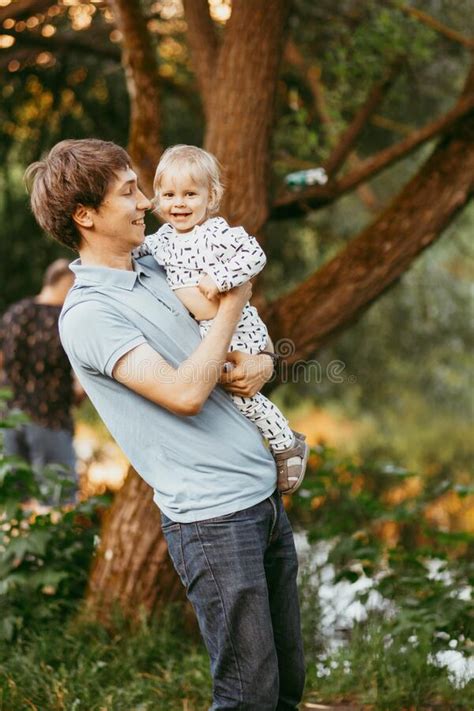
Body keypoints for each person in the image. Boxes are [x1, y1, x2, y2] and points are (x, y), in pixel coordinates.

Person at [26, 139, 305, 710]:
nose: (147, 202)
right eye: (129, 192)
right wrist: (233, 299)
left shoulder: (159, 261)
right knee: (247, 696)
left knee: (285, 687)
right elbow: (184, 392)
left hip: (263, 500)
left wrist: (264, 361)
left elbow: (239, 344)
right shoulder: (89, 315)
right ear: (85, 215)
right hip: (213, 518)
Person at [135, 144, 309, 494]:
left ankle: (286, 442)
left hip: (237, 325)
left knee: (240, 393)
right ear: (157, 199)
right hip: (208, 331)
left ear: (210, 197)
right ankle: (259, 451)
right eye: (169, 195)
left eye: (189, 194)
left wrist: (221, 278)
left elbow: (255, 255)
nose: (179, 203)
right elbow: (135, 250)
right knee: (221, 390)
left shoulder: (216, 233)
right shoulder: (162, 241)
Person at [0, 259, 80, 501]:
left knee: (13, 503)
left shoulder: (17, 312)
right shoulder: (66, 319)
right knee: (58, 499)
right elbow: (82, 375)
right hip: (50, 419)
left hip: (9, 419)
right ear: (67, 282)